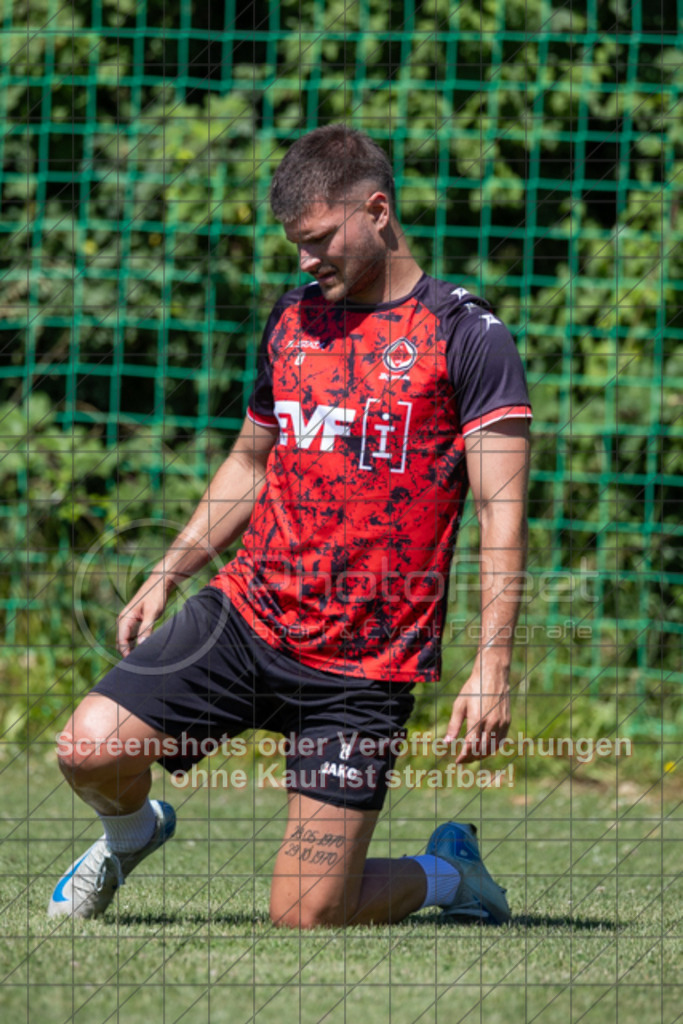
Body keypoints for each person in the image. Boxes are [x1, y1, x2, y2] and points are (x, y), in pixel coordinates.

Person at [50, 125, 531, 928]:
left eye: (318, 240)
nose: (306, 260)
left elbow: (499, 513)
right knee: (87, 746)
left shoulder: (465, 337)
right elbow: (248, 463)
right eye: (296, 245)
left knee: (307, 913)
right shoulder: (295, 318)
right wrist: (169, 572)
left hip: (363, 671)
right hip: (247, 616)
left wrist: (492, 663)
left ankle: (446, 873)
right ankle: (130, 834)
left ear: (377, 211)